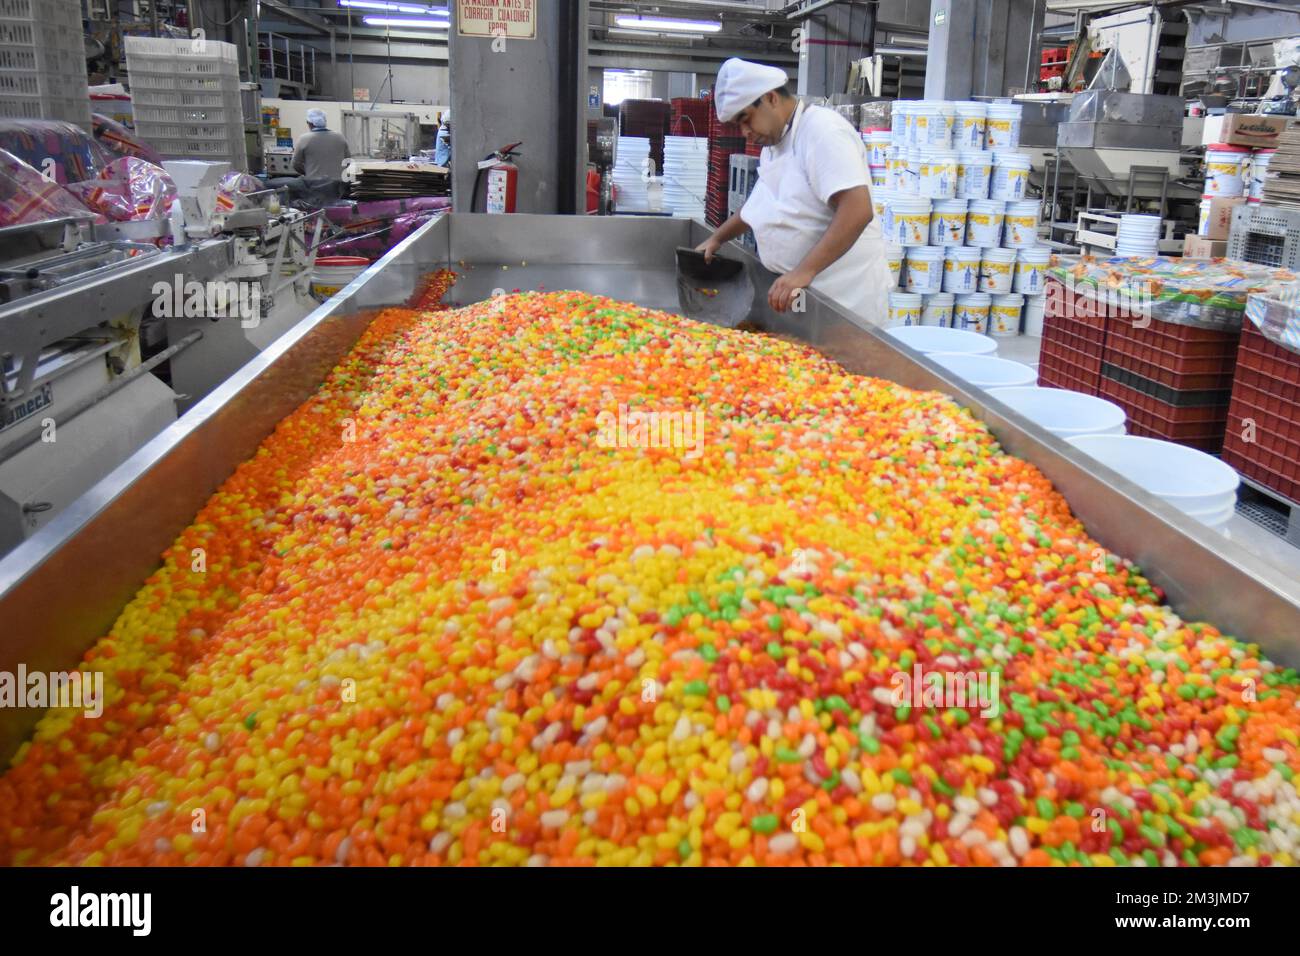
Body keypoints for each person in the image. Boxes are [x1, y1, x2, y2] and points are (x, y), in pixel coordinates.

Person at [695, 58, 892, 325]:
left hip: (844, 299)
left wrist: (803, 271)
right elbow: (758, 206)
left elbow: (857, 210)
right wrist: (717, 238)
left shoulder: (822, 132)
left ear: (770, 98)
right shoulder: (774, 145)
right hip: (806, 294)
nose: (744, 133)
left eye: (745, 119)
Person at [268, 108, 349, 204]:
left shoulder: (304, 139)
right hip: (337, 187)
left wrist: (307, 172)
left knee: (276, 187)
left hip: (313, 186)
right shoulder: (340, 137)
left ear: (309, 123)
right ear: (325, 122)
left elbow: (295, 164)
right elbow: (348, 162)